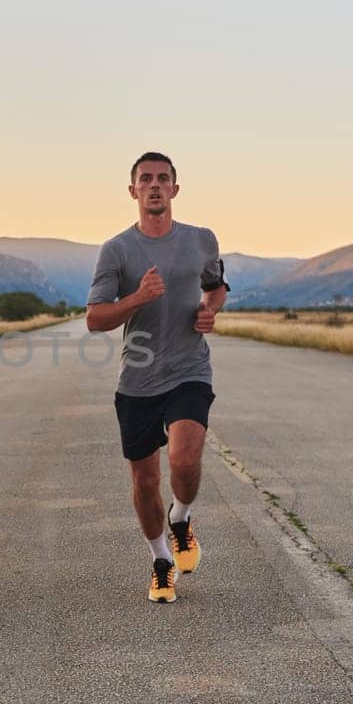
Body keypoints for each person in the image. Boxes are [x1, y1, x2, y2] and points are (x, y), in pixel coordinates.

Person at [85, 151, 229, 604]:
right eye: (145, 179)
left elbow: (216, 287)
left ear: (174, 189)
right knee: (145, 482)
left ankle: (181, 517)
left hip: (189, 370)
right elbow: (95, 318)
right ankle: (161, 560)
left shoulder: (201, 239)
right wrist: (137, 298)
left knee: (184, 462)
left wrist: (209, 311)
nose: (153, 185)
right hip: (138, 382)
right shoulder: (117, 250)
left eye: (162, 179)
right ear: (132, 191)